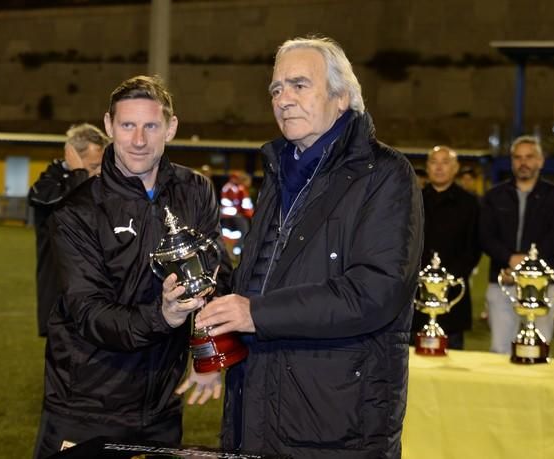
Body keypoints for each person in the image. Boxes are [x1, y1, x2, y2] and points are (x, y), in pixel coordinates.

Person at [194, 36, 423, 459]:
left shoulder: (385, 174)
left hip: (337, 420)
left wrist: (254, 313)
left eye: (299, 85)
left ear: (342, 97)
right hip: (259, 401)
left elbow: (375, 292)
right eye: (276, 89)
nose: (284, 99)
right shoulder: (280, 172)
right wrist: (210, 314)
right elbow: (259, 281)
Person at [32, 75, 230, 459]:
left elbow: (216, 277)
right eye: (127, 125)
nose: (139, 140)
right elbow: (88, 312)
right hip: (86, 404)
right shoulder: (76, 211)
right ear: (109, 126)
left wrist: (209, 355)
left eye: (151, 126)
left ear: (170, 128)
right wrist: (163, 315)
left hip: (161, 405)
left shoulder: (195, 191)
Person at [480, 135, 554, 354]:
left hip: (541, 286)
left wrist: (526, 265)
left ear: (540, 161)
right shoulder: (494, 196)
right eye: (518, 157)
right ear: (511, 162)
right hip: (502, 281)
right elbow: (485, 236)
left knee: (538, 349)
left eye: (529, 157)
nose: (523, 162)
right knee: (500, 349)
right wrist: (509, 259)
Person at [28, 123, 110, 337]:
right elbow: (62, 203)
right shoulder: (48, 185)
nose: (98, 173)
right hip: (61, 295)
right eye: (93, 166)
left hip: (97, 295)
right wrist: (80, 174)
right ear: (72, 156)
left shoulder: (103, 183)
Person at [411, 146, 480, 349]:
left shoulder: (470, 204)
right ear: (427, 167)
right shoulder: (412, 200)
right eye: (434, 162)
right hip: (417, 294)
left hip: (452, 296)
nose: (439, 167)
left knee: (452, 356)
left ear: (455, 168)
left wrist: (449, 279)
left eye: (445, 162)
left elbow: (474, 248)